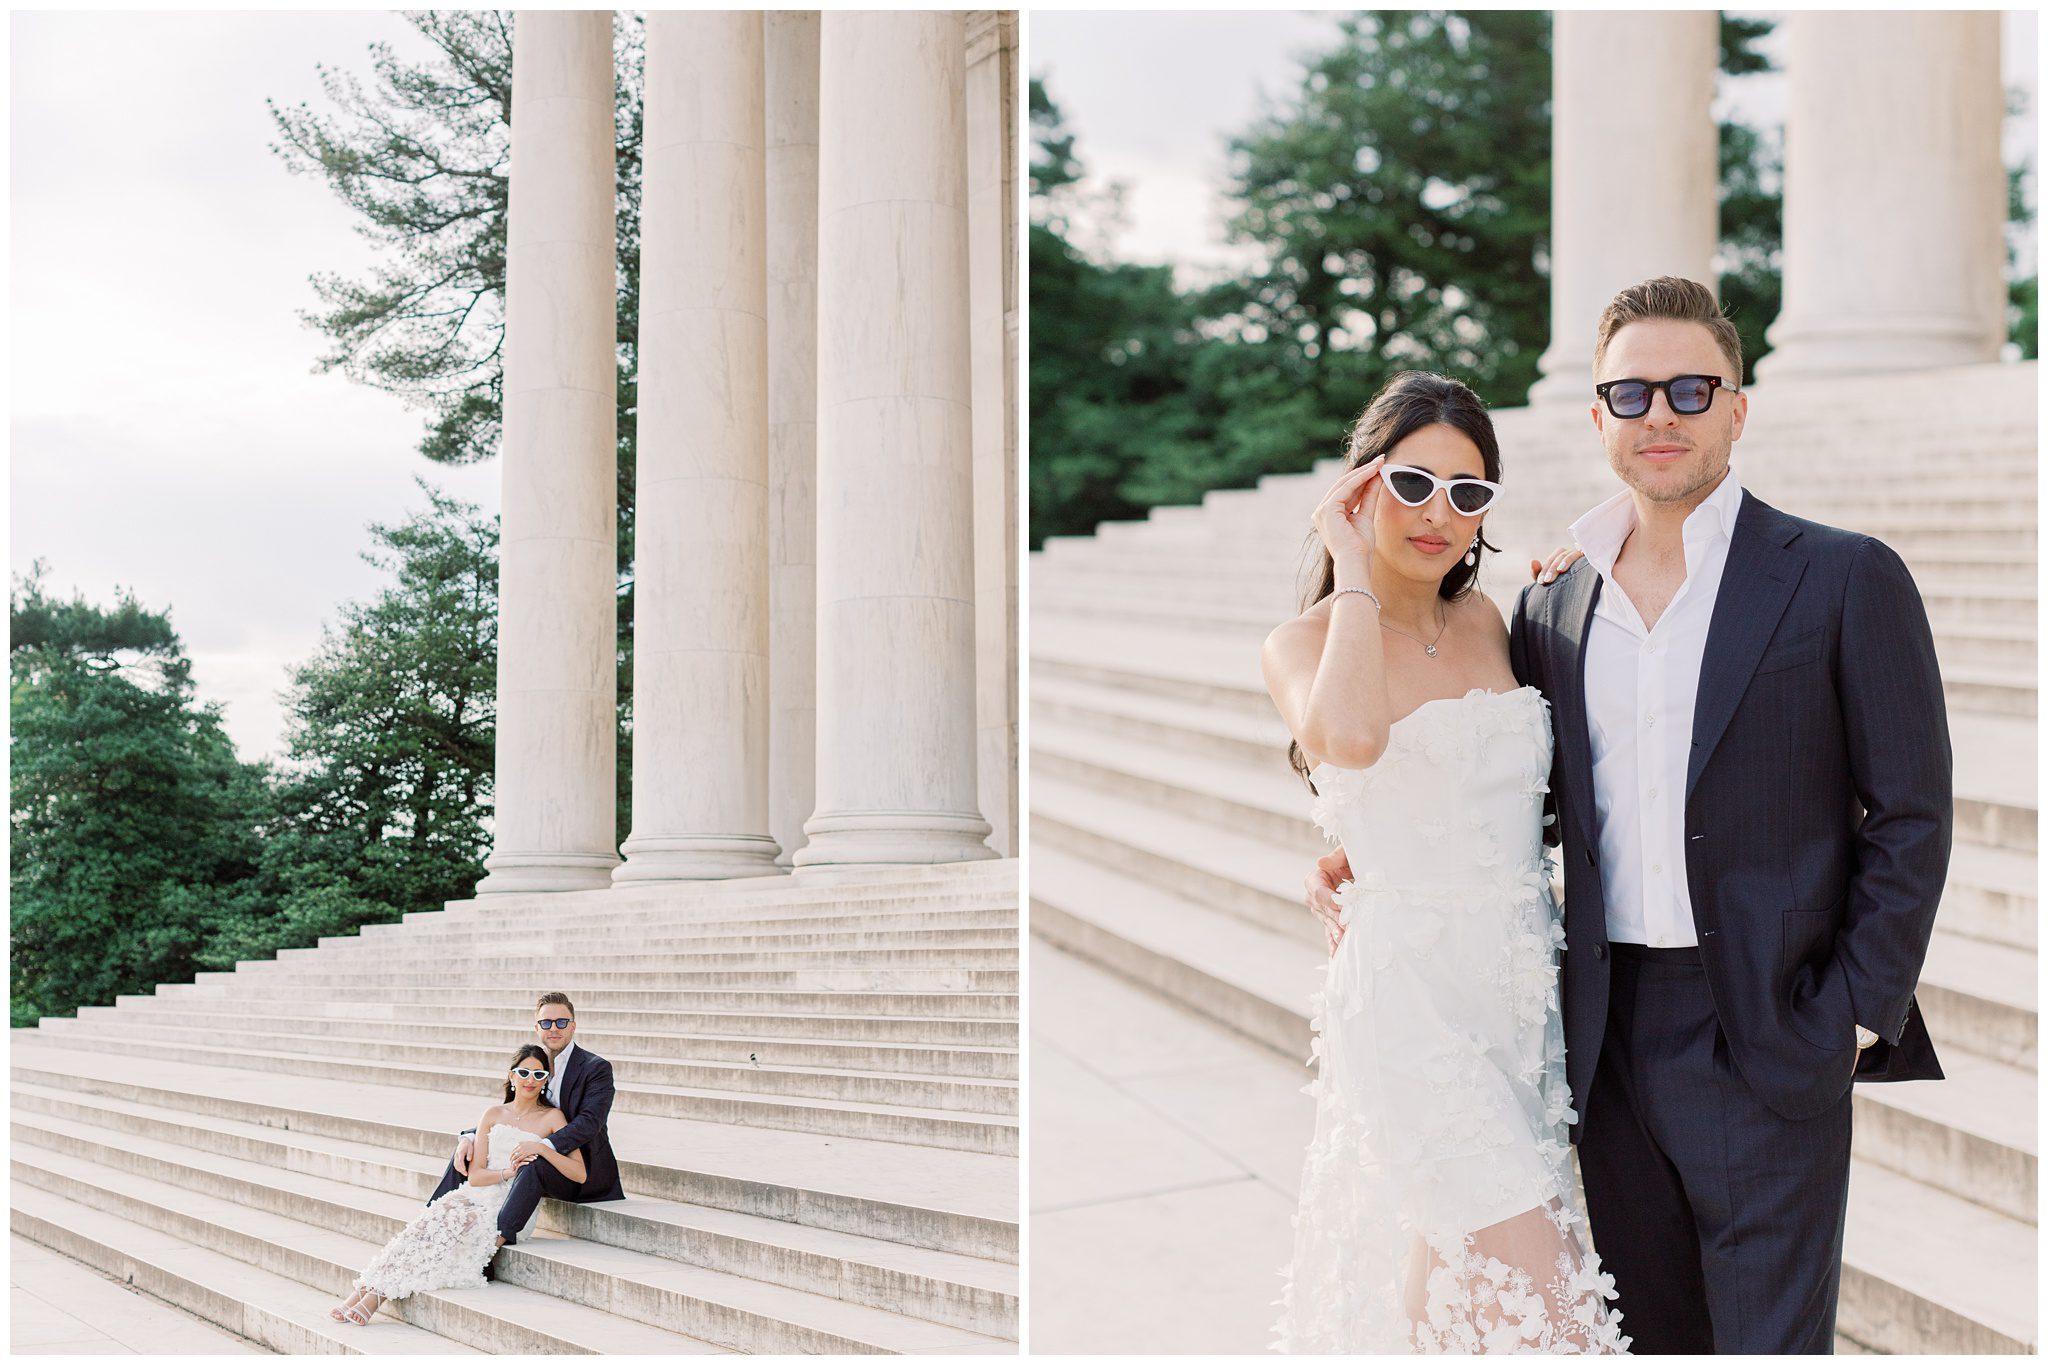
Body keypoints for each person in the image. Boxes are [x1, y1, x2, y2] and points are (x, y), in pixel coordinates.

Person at [1305, 277, 1951, 1353]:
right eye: (1632, 391)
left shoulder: (1842, 577)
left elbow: (1911, 815)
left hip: (1769, 1023)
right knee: (1638, 1335)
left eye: (1691, 389)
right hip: (1597, 1035)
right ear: (1595, 415)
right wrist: (1349, 848)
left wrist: (1846, 1015)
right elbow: (1510, 787)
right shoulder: (1552, 604)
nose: (1661, 413)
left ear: (1736, 409)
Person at [1263, 369, 1628, 1353]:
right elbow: (1346, 741)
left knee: (1455, 1281)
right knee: (1552, 1300)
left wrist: (1574, 583)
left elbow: (1517, 795)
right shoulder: (1301, 642)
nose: (1438, 514)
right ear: (1359, 487)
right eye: (1411, 484)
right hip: (1405, 1008)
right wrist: (1347, 573)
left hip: (1516, 1007)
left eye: (1467, 494)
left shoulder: (1488, 622)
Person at [330, 1043, 583, 1324]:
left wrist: (544, 1149)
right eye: (524, 1072)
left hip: (510, 1204)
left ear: (546, 1080)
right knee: (425, 1226)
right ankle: (363, 1289)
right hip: (480, 1190)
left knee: (450, 1229)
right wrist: (508, 1172)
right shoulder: (493, 1114)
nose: (530, 1080)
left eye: (539, 1075)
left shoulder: (552, 1118)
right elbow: (475, 1176)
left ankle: (374, 1299)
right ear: (511, 1075)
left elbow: (579, 1173)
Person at [427, 991, 626, 1259]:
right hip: (530, 1159)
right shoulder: (535, 1065)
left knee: (534, 1161)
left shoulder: (595, 1068)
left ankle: (495, 1242)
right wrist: (470, 1137)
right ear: (537, 1027)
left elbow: (589, 1123)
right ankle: (429, 1221)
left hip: (579, 1171)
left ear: (573, 1026)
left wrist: (542, 1146)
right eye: (546, 1023)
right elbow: (517, 1114)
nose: (553, 1028)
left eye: (561, 1022)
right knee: (465, 1152)